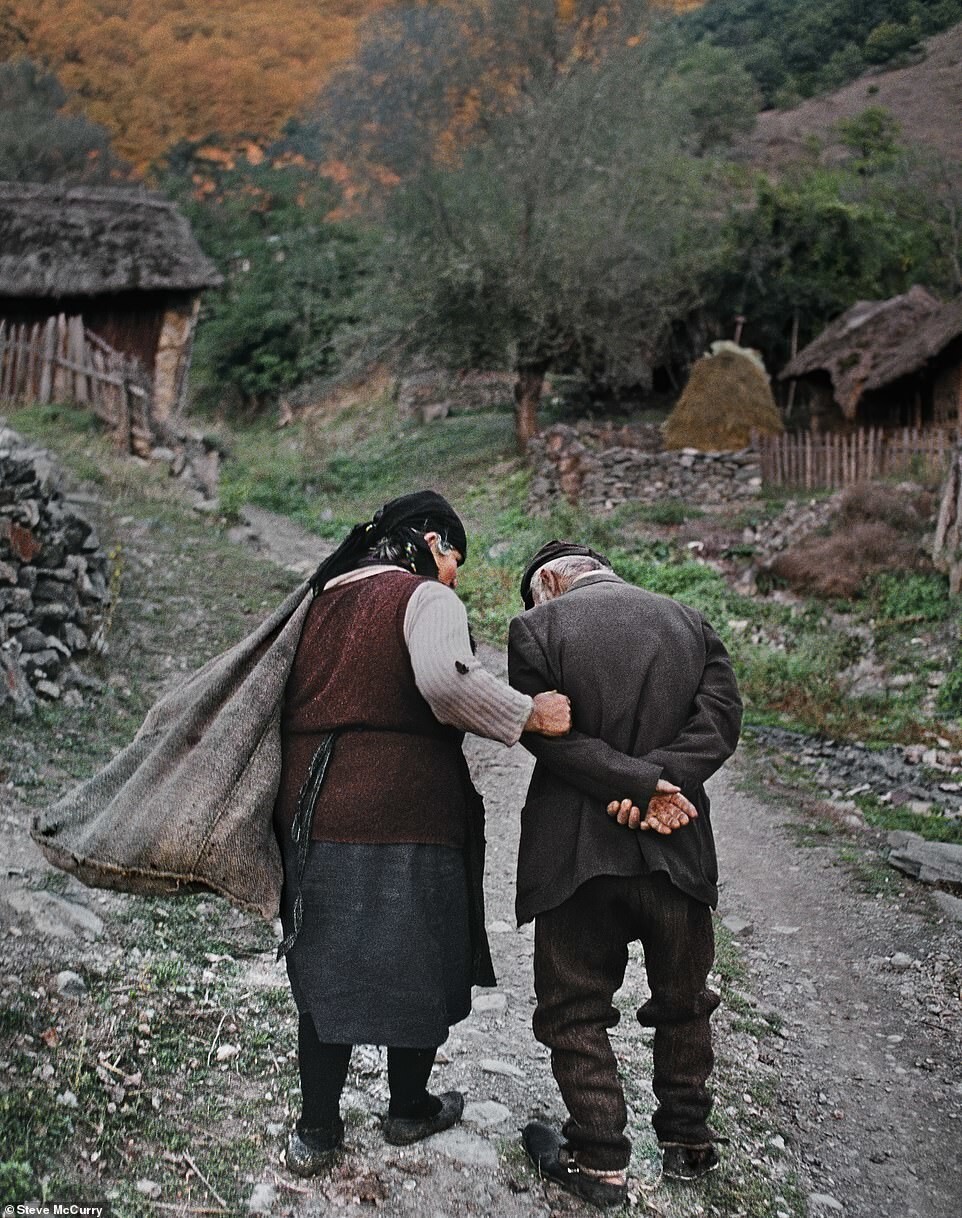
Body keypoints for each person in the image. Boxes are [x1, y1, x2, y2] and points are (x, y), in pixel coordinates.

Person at [274, 492, 571, 1177]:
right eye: (455, 560)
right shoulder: (423, 597)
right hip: (409, 808)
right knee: (419, 959)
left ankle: (317, 1132)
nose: (455, 577)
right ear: (432, 541)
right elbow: (444, 680)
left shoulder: (317, 596)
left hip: (312, 813)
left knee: (324, 964)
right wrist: (529, 714)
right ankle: (408, 1108)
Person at [507, 540, 743, 1207]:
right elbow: (721, 722)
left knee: (574, 1007)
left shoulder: (535, 628)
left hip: (577, 858)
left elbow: (542, 733)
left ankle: (601, 1158)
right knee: (684, 1001)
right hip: (678, 849)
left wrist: (633, 783)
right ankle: (688, 1144)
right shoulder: (689, 620)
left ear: (549, 580)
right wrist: (662, 785)